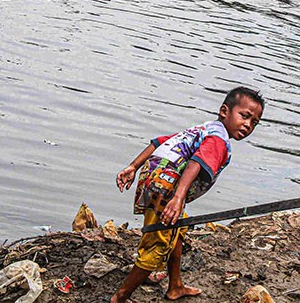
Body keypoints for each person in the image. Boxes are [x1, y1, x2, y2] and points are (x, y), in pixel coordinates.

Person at [110, 87, 265, 303]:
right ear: (224, 111)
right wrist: (177, 198)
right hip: (167, 188)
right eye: (244, 116)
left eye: (254, 122)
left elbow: (158, 142)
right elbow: (196, 163)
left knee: (177, 229)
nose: (248, 125)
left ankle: (175, 286)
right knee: (157, 244)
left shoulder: (205, 129)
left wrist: (133, 167)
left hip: (155, 178)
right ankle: (120, 297)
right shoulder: (219, 140)